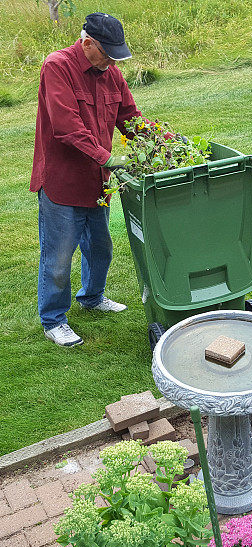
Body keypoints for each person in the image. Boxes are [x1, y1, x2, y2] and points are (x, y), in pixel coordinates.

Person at [30, 13, 142, 347]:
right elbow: (66, 127)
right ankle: (54, 320)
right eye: (106, 53)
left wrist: (163, 142)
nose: (111, 61)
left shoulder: (111, 73)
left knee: (100, 247)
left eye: (116, 55)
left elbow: (129, 118)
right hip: (63, 182)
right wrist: (107, 157)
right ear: (87, 42)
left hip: (97, 183)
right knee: (58, 256)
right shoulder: (57, 67)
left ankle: (92, 297)